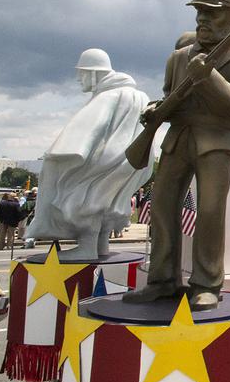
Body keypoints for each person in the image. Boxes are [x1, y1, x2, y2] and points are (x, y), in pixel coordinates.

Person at [124, 0, 230, 311]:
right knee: (161, 208)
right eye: (200, 13)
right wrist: (153, 110)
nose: (202, 20)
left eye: (211, 14)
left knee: (211, 212)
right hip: (177, 139)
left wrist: (210, 77)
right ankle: (161, 281)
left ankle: (207, 284)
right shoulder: (179, 58)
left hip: (216, 142)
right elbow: (168, 95)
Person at [26, 49, 152, 260]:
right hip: (128, 161)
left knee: (84, 197)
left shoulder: (108, 96)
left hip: (103, 161)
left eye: (82, 73)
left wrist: (59, 154)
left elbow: (89, 128)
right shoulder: (138, 96)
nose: (79, 78)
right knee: (105, 200)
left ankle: (87, 247)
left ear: (94, 73)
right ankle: (101, 244)